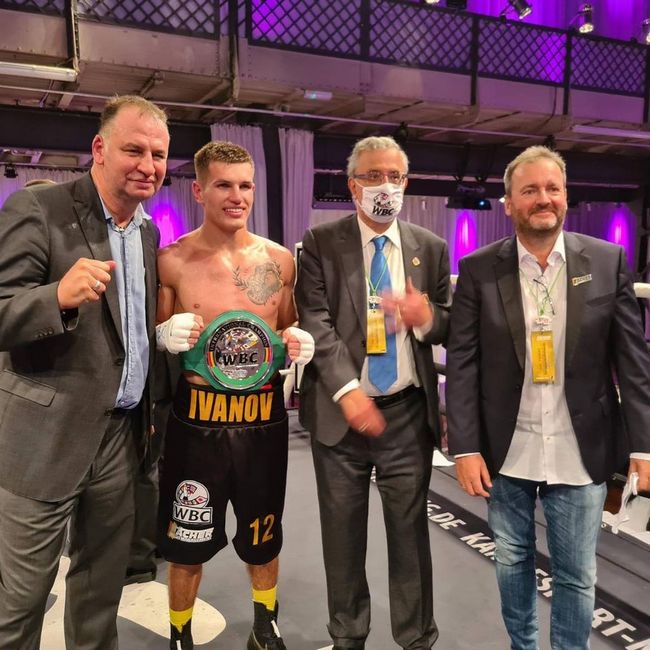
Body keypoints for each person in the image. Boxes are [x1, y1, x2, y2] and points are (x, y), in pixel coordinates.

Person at [446, 145, 650, 650]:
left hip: (580, 449)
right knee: (511, 560)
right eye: (530, 190)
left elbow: (633, 362)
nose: (544, 198)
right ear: (508, 203)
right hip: (505, 449)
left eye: (553, 188)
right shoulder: (479, 268)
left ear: (565, 196)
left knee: (577, 574)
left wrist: (643, 448)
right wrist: (464, 446)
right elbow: (464, 362)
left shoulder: (606, 261)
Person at [0, 94, 169, 649]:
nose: (148, 165)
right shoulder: (39, 208)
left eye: (159, 154)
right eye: (134, 150)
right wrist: (55, 298)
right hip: (44, 439)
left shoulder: (147, 232)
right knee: (19, 603)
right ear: (99, 149)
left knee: (100, 595)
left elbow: (126, 334)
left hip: (121, 437)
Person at [154, 140, 314, 650]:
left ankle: (265, 625)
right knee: (186, 538)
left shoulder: (279, 261)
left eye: (245, 185)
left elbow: (287, 328)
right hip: (196, 419)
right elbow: (155, 334)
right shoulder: (171, 260)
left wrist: (298, 339)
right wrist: (163, 334)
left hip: (261, 417)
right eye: (223, 184)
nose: (237, 196)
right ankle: (180, 633)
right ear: (199, 191)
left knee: (263, 534)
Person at [295, 135, 451, 650]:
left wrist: (426, 317)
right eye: (373, 176)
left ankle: (417, 639)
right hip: (341, 416)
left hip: (406, 415)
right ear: (352, 185)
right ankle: (348, 637)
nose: (385, 186)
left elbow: (449, 324)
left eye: (394, 176)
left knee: (411, 536)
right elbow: (315, 321)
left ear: (406, 182)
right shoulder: (321, 242)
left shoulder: (430, 247)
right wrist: (347, 390)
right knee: (342, 536)